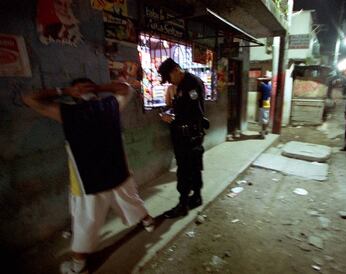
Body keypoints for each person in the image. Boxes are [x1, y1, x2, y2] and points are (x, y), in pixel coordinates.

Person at [22, 78, 154, 274]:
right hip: (118, 173)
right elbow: (127, 89)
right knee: (129, 199)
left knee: (86, 222)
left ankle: (78, 264)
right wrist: (99, 87)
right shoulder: (111, 105)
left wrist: (64, 90)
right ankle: (148, 221)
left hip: (90, 180)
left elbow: (29, 98)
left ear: (76, 95)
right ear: (95, 93)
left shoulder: (67, 112)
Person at [157, 58, 207, 218]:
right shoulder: (182, 84)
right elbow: (183, 107)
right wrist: (171, 111)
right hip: (186, 135)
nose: (170, 82)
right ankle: (197, 197)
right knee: (194, 166)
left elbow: (195, 112)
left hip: (189, 136)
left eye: (169, 77)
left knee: (185, 169)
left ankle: (183, 204)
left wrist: (173, 119)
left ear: (175, 70)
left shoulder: (191, 83)